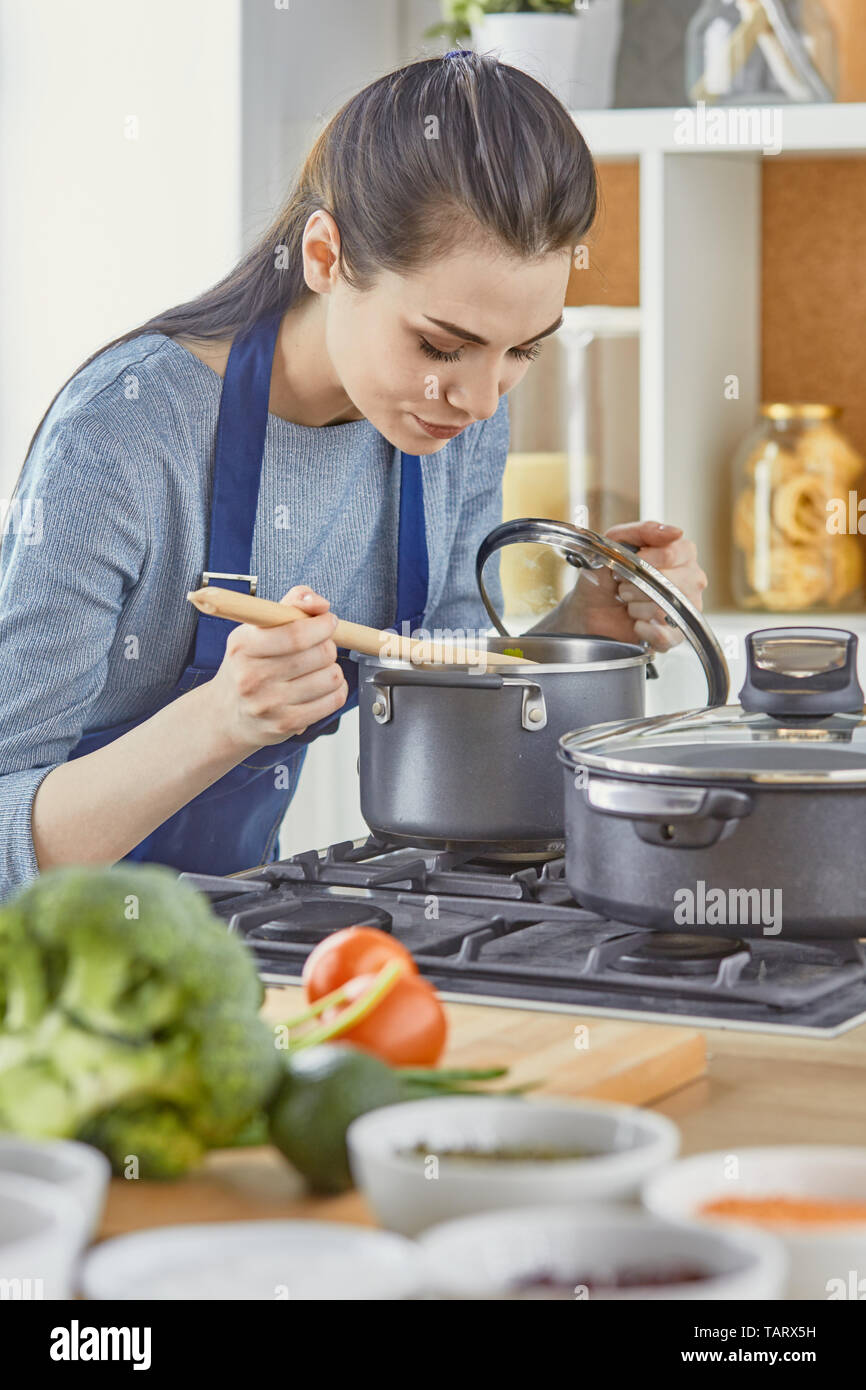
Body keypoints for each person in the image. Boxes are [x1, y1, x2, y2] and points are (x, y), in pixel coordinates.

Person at [0, 51, 706, 901]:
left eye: (522, 350)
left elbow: (445, 696)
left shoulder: (444, 421)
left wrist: (581, 628)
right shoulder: (126, 432)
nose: (480, 399)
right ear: (327, 257)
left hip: (233, 945)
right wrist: (218, 722)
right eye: (440, 345)